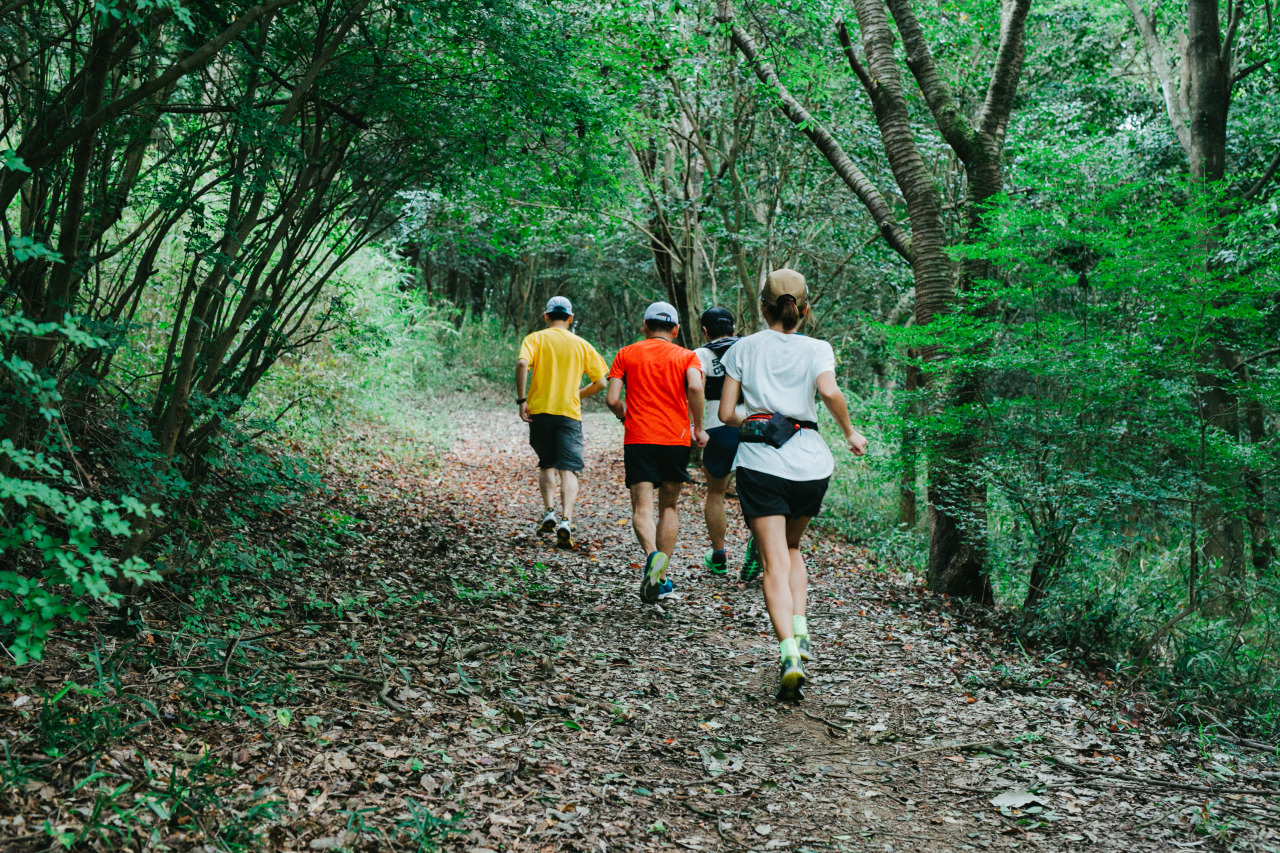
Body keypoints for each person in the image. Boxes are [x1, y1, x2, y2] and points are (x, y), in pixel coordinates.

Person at [718, 270, 868, 701]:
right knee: (793, 549)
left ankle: (788, 653)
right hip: (811, 465)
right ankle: (801, 631)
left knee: (773, 564)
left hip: (762, 463)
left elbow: (728, 413)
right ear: (805, 309)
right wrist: (850, 433)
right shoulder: (818, 347)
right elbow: (829, 391)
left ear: (763, 308)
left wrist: (758, 418)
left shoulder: (743, 347)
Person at [606, 301, 709, 603]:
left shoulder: (626, 354)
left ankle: (653, 557)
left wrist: (625, 416)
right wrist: (698, 426)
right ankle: (661, 576)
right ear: (675, 330)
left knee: (642, 508)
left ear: (644, 326)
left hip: (638, 438)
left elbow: (612, 399)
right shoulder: (687, 356)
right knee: (670, 507)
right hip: (675, 439)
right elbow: (694, 387)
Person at [515, 296, 608, 549]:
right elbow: (601, 382)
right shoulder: (582, 345)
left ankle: (549, 512)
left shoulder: (535, 339)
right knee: (568, 468)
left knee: (546, 463)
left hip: (540, 411)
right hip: (568, 413)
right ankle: (566, 520)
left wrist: (522, 400)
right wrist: (577, 394)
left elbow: (522, 363)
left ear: (546, 316)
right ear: (570, 318)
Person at [693, 307, 742, 576]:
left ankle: (719, 555)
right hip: (752, 427)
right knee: (756, 495)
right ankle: (758, 551)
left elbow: (695, 389)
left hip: (717, 429)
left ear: (704, 331)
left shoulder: (700, 355)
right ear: (734, 329)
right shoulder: (749, 349)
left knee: (716, 493)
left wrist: (696, 426)